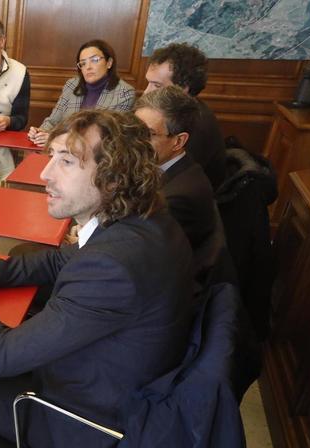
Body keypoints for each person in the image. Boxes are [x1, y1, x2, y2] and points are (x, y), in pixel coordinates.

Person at [0, 110, 193, 448]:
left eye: (67, 161)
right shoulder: (142, 218)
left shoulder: (113, 266)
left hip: (80, 420)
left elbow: (6, 356)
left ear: (114, 176)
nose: (45, 174)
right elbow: (60, 259)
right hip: (114, 381)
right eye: (52, 156)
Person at [135, 86, 224, 287]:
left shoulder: (179, 197)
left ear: (178, 141)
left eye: (148, 134)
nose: (136, 142)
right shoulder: (165, 165)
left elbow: (139, 257)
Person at [144, 43, 226, 189]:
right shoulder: (179, 110)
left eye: (156, 86)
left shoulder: (197, 126)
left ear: (182, 89)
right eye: (148, 83)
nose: (146, 92)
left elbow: (162, 181)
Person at [27, 39, 136, 148]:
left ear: (109, 63)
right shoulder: (72, 85)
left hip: (99, 158)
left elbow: (110, 136)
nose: (88, 67)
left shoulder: (124, 93)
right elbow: (52, 121)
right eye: (83, 63)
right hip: (62, 152)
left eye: (95, 60)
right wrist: (40, 132)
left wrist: (57, 139)